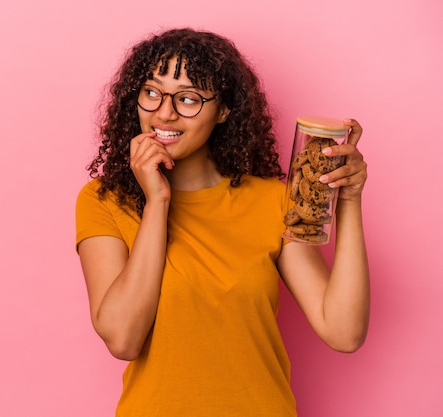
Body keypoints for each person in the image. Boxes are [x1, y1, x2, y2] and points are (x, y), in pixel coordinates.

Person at [75, 28, 369, 417]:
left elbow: (343, 331)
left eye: (188, 99)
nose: (164, 113)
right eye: (151, 92)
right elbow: (123, 339)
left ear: (224, 109)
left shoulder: (271, 201)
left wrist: (347, 199)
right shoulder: (104, 200)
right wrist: (157, 201)